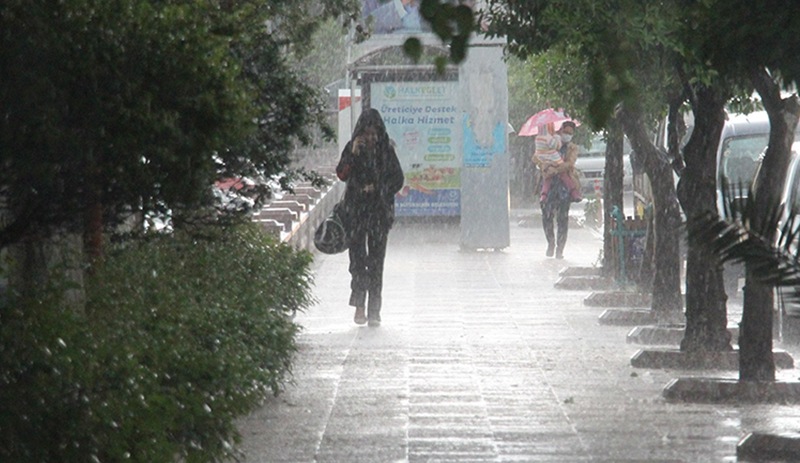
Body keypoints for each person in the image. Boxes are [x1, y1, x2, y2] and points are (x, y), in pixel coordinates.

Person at [336, 108, 405, 327]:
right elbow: (342, 174)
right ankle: (359, 306)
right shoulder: (352, 149)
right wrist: (353, 155)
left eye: (374, 133)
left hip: (378, 213)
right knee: (357, 261)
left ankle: (374, 310)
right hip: (356, 213)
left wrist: (378, 189)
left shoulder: (386, 151)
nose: (371, 138)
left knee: (376, 263)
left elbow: (398, 179)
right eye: (367, 133)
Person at [536, 121, 581, 258]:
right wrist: (546, 167)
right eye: (565, 132)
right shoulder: (551, 142)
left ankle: (560, 249)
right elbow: (537, 157)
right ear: (560, 130)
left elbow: (569, 164)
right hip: (549, 185)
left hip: (564, 188)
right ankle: (550, 243)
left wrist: (556, 169)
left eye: (570, 133)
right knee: (547, 216)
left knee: (563, 219)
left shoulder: (572, 148)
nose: (567, 135)